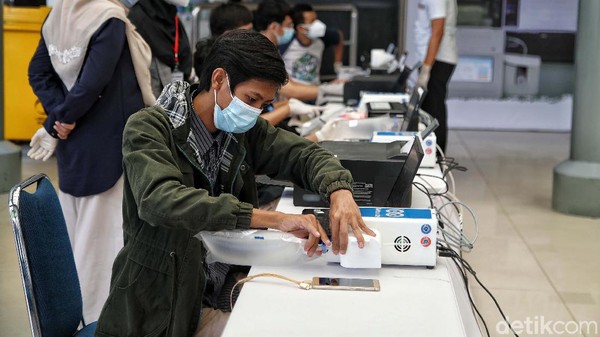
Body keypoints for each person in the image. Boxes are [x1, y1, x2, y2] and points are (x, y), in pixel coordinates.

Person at [95, 29, 375, 337]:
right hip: (165, 308)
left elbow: (302, 155)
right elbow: (161, 200)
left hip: (222, 282)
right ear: (218, 79)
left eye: (264, 104)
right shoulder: (149, 128)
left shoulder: (241, 131)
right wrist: (272, 219)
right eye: (251, 99)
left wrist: (340, 191)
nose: (255, 112)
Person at [27, 0, 154, 323]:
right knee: (102, 242)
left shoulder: (58, 15)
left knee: (76, 235)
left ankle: (77, 317)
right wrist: (65, 117)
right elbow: (94, 81)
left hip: (74, 144)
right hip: (107, 145)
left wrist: (59, 119)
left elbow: (38, 72)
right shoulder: (107, 17)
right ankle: (100, 321)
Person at [414, 0, 457, 153]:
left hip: (437, 60)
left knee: (433, 113)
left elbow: (438, 30)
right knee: (428, 113)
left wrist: (426, 68)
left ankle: (437, 157)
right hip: (433, 59)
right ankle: (431, 154)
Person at [128, 0, 193, 98]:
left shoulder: (174, 19)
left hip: (178, 103)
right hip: (150, 107)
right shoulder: (137, 20)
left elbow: (186, 66)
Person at [281, 3, 344, 85]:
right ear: (301, 28)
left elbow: (339, 36)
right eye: (312, 21)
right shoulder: (286, 43)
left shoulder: (322, 38)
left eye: (316, 19)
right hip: (293, 92)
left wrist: (338, 66)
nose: (318, 24)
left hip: (315, 92)